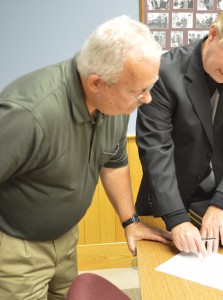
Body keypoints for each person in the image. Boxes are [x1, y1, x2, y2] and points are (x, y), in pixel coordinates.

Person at [0, 15, 171, 299]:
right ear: (96, 83)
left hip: (66, 239)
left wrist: (131, 222)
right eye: (139, 91)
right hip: (17, 248)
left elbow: (113, 162)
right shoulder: (29, 114)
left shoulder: (112, 104)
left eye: (149, 87)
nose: (147, 99)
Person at [135, 2, 223, 258]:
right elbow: (155, 148)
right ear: (213, 33)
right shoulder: (165, 72)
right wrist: (177, 218)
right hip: (170, 197)